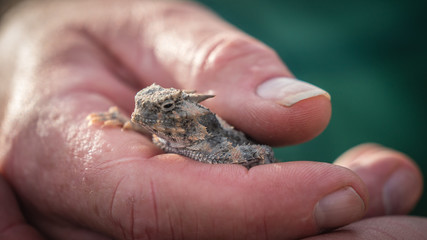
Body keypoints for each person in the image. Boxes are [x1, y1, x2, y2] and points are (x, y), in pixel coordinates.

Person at [0, 1, 425, 239]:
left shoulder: (213, 138)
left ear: (188, 111)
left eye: (165, 108)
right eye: (143, 107)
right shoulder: (162, 127)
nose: (146, 115)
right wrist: (34, 22)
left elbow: (261, 152)